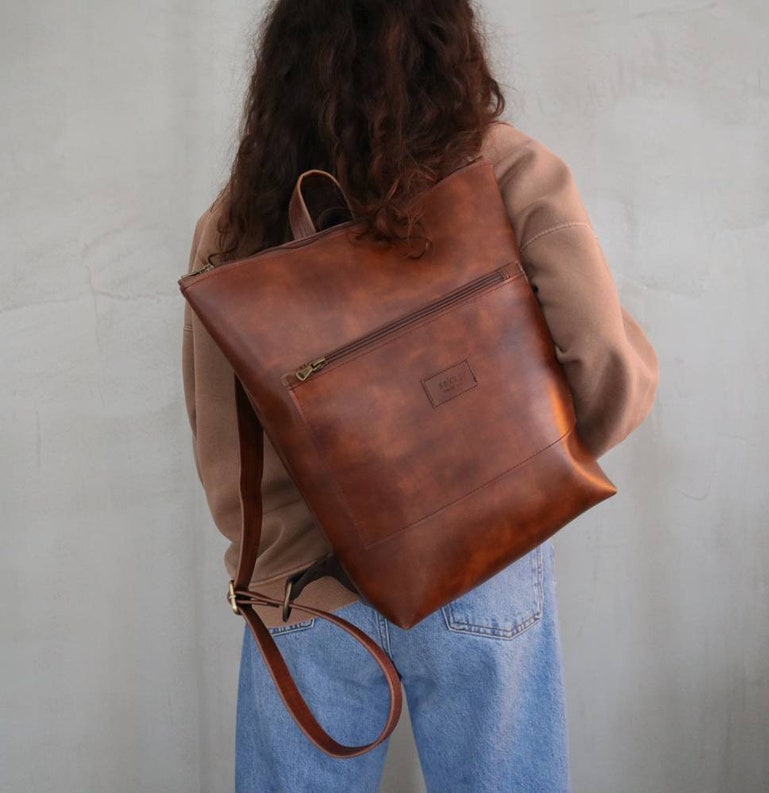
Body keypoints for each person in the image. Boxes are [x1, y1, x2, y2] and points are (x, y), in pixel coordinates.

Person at [181, 1, 660, 791]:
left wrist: (266, 566)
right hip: (486, 550)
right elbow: (608, 362)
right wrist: (538, 470)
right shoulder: (503, 168)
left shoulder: (236, 220)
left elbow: (221, 440)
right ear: (449, 41)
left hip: (304, 588)